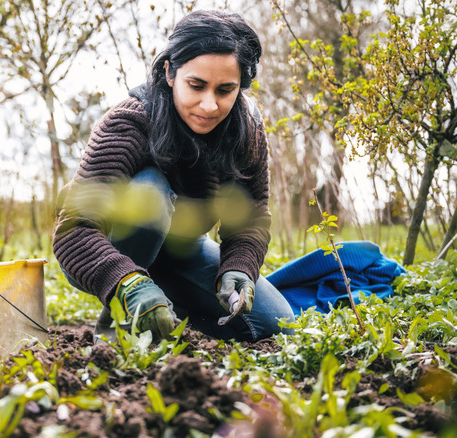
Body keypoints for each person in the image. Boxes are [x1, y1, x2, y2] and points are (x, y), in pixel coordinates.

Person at [52, 10, 295, 342]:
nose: (209, 105)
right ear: (169, 72)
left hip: (182, 249)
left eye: (225, 90)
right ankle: (118, 320)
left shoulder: (247, 131)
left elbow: (251, 217)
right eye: (196, 85)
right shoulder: (130, 122)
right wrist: (127, 282)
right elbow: (74, 230)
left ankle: (164, 312)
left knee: (273, 323)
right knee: (149, 193)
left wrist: (239, 267)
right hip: (101, 246)